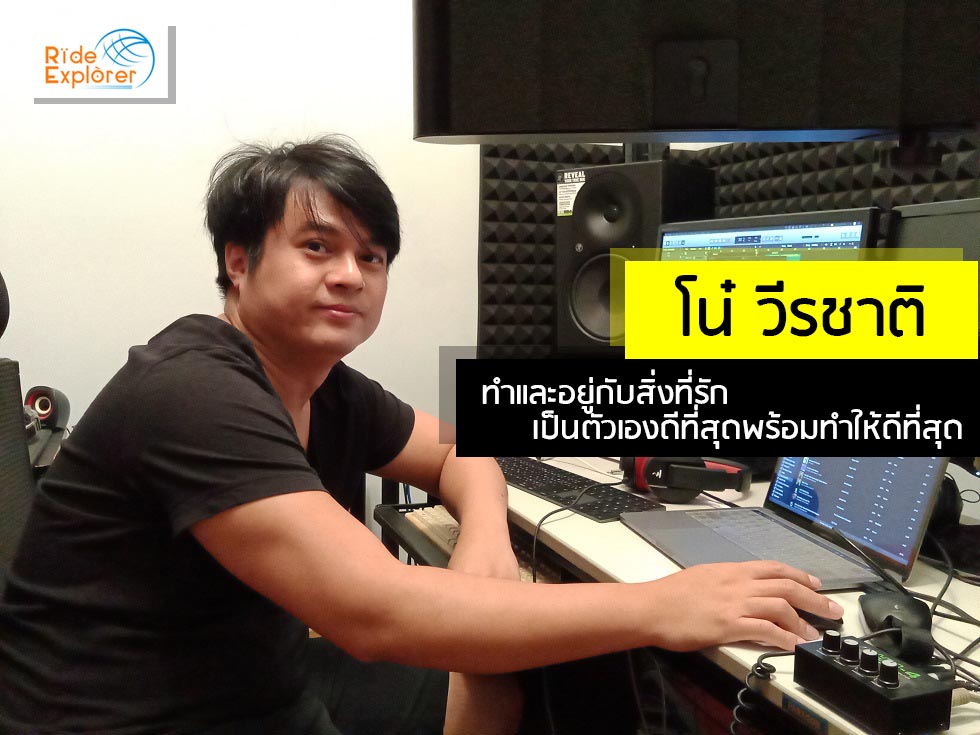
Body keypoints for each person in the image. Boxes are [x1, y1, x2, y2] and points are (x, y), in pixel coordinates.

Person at [0, 136, 842, 735]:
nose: (350, 275)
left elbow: (457, 449)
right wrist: (664, 605)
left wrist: (485, 537)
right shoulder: (193, 389)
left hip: (253, 680)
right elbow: (376, 612)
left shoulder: (323, 385)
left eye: (372, 257)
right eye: (318, 247)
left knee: (520, 672)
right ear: (238, 260)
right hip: (129, 715)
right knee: (571, 647)